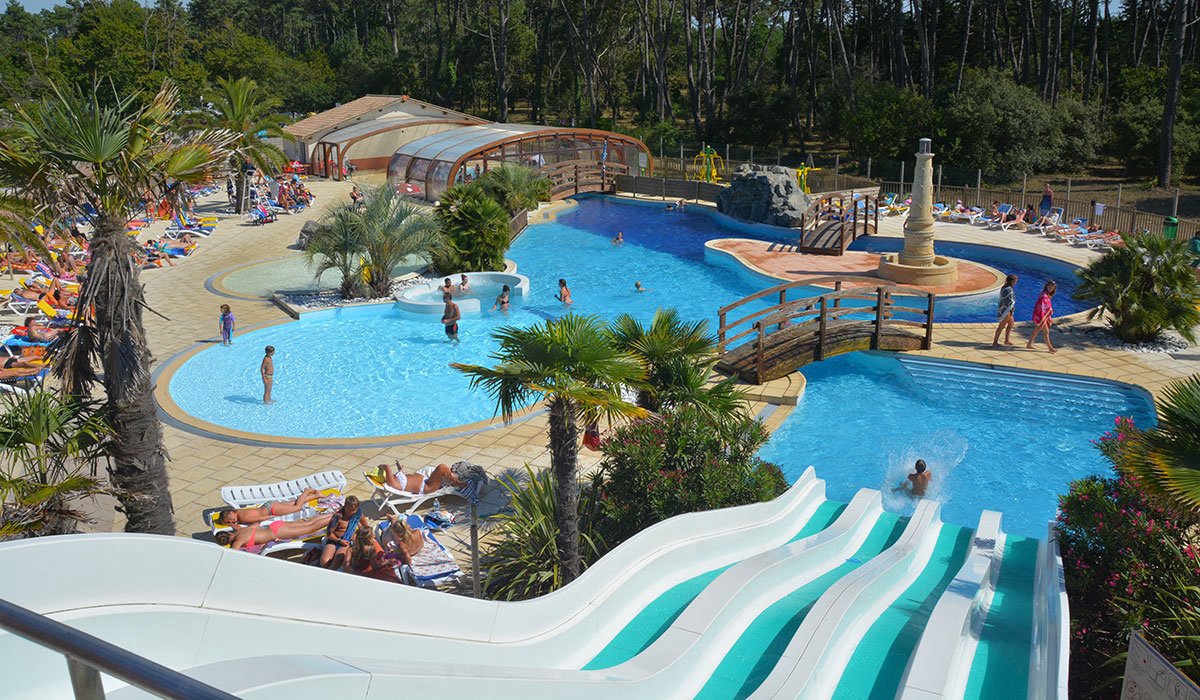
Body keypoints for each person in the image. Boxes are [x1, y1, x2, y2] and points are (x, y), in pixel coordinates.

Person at [214, 513, 334, 553]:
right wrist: (232, 525)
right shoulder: (240, 530)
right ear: (229, 533)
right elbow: (256, 525)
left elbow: (232, 555)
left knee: (311, 528)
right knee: (309, 523)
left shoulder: (238, 541)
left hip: (278, 532)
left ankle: (336, 517)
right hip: (275, 526)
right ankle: (333, 514)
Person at [215, 488, 321, 527]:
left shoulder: (243, 519)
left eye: (229, 520)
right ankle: (316, 495)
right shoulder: (238, 511)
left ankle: (306, 491)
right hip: (269, 506)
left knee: (297, 507)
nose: (231, 522)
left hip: (271, 510)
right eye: (229, 522)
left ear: (231, 513)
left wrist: (271, 517)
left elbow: (259, 518)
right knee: (293, 504)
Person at [319, 496, 362, 568]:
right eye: (351, 510)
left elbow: (362, 522)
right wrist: (339, 540)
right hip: (335, 540)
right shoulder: (337, 517)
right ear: (345, 507)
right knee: (324, 562)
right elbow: (329, 534)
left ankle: (329, 572)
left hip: (347, 541)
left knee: (337, 561)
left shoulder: (357, 513)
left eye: (355, 510)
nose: (354, 512)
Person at [376, 461, 465, 495]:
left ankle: (454, 476)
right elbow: (387, 467)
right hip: (427, 487)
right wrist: (380, 466)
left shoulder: (395, 479)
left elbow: (406, 480)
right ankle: (456, 482)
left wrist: (400, 472)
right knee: (442, 467)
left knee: (446, 471)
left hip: (426, 480)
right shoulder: (392, 483)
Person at [1027, 281, 1058, 354]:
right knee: (1045, 331)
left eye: (1052, 288)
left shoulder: (1046, 294)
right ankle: (1050, 348)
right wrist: (1049, 310)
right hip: (1042, 316)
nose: (1051, 289)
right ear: (1046, 286)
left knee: (1037, 330)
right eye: (1050, 287)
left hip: (1043, 316)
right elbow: (1043, 306)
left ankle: (1029, 344)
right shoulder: (1044, 295)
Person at [992, 275, 1018, 347]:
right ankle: (995, 342)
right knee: (1001, 326)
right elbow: (1007, 300)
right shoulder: (1007, 289)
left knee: (1011, 324)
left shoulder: (1007, 288)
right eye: (1015, 281)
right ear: (1012, 282)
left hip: (1009, 310)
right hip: (1006, 310)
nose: (1016, 283)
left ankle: (1007, 340)